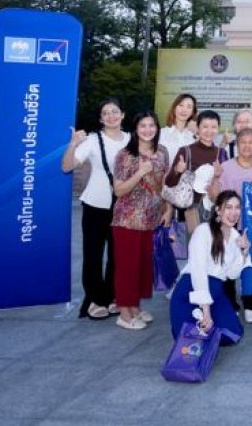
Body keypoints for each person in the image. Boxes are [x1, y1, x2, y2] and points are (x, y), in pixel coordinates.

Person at [62, 98, 129, 320]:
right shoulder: (92, 140)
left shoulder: (131, 139)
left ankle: (112, 296)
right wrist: (73, 144)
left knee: (118, 256)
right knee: (93, 254)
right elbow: (66, 167)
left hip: (123, 207)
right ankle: (94, 300)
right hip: (95, 204)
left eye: (115, 111)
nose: (111, 116)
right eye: (106, 113)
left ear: (123, 115)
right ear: (101, 119)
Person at [168, 190, 251, 345]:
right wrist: (205, 310)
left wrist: (244, 251)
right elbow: (198, 272)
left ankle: (202, 330)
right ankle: (193, 326)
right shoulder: (203, 231)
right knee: (193, 340)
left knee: (234, 334)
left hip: (216, 291)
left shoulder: (235, 237)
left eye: (237, 207)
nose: (234, 212)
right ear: (218, 210)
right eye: (229, 207)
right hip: (191, 290)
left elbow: (232, 274)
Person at [111, 111, 169, 330]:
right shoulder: (125, 155)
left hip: (151, 219)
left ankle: (134, 306)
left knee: (142, 266)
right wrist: (139, 173)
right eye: (142, 126)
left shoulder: (162, 152)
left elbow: (164, 184)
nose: (147, 130)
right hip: (128, 220)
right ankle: (124, 313)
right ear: (135, 129)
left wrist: (167, 209)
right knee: (127, 266)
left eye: (151, 125)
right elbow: (118, 190)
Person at [218, 126, 252, 323]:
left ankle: (251, 304)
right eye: (243, 142)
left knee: (251, 265)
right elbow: (218, 196)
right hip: (230, 225)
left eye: (251, 142)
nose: (247, 146)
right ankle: (230, 305)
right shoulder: (225, 167)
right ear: (237, 145)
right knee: (228, 265)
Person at [164, 111, 226, 235]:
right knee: (194, 248)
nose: (209, 131)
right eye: (205, 126)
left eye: (213, 127)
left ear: (218, 128)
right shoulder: (186, 151)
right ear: (198, 128)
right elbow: (169, 183)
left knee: (214, 250)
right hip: (192, 210)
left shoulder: (222, 153)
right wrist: (177, 171)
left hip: (216, 209)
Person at [159, 93, 197, 168]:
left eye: (189, 107)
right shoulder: (161, 133)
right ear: (174, 108)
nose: (184, 110)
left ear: (192, 112)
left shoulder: (194, 138)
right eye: (181, 105)